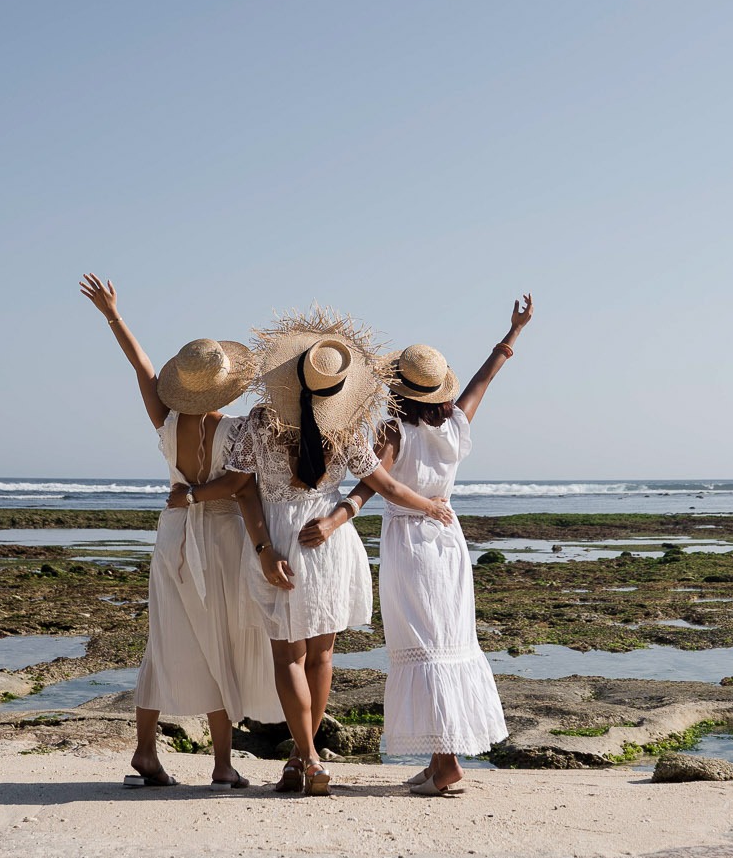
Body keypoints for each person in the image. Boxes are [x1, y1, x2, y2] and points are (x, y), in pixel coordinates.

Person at [301, 294, 532, 795]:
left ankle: (445, 764)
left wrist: (337, 520)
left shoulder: (393, 429)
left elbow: (371, 484)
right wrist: (513, 333)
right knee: (446, 641)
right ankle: (437, 760)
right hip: (448, 542)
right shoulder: (454, 424)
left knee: (425, 646)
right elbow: (482, 381)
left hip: (411, 541)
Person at [78, 274, 278, 789]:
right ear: (225, 383)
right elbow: (240, 485)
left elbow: (140, 368)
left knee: (164, 641)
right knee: (220, 644)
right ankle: (221, 764)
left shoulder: (166, 422)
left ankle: (146, 751)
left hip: (173, 535)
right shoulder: (235, 429)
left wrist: (113, 316)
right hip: (220, 537)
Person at [227, 308, 417, 796]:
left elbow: (243, 492)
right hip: (327, 541)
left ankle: (305, 757)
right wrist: (429, 506)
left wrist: (265, 550)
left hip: (280, 536)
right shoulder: (349, 427)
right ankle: (303, 758)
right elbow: (384, 485)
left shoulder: (259, 422)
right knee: (320, 656)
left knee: (288, 655)